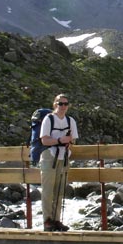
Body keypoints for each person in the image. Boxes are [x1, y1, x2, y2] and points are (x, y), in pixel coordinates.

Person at [39, 93, 78, 231]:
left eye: (65, 104)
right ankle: (47, 221)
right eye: (60, 103)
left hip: (63, 157)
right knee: (48, 190)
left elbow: (73, 140)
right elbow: (44, 140)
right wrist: (60, 141)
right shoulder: (48, 119)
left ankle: (56, 220)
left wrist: (68, 143)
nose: (63, 106)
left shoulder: (70, 121)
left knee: (59, 191)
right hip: (49, 156)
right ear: (55, 104)